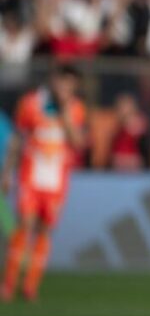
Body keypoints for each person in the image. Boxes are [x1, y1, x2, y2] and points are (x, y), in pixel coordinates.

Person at [1, 65, 86, 302]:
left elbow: (77, 143)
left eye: (70, 84)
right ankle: (8, 284)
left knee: (44, 231)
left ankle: (30, 286)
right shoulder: (31, 103)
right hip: (31, 175)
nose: (64, 87)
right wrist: (7, 172)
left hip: (56, 180)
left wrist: (65, 112)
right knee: (25, 225)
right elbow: (17, 139)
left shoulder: (76, 109)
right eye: (61, 81)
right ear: (53, 80)